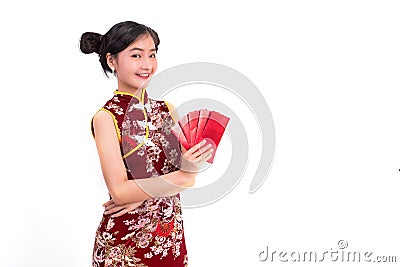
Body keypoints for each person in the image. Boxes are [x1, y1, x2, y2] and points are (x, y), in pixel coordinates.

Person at [80, 21, 213, 267]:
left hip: (170, 240)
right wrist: (182, 177)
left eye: (152, 54)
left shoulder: (168, 111)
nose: (146, 64)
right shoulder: (106, 118)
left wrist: (145, 192)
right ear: (112, 61)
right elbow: (119, 190)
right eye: (136, 55)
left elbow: (187, 175)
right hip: (124, 245)